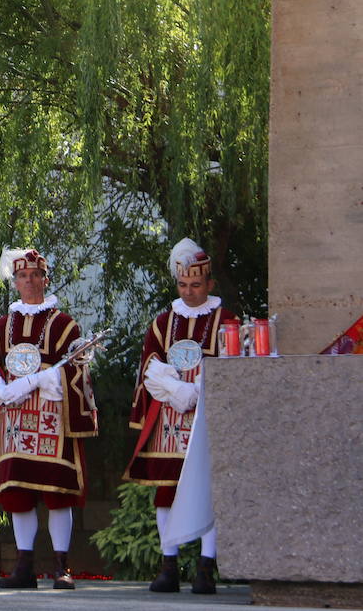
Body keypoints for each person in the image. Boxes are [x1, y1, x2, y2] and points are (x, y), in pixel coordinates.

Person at [0, 248, 98, 590]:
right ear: (15, 282)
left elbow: (76, 370)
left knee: (58, 492)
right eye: (23, 276)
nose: (29, 281)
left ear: (46, 279)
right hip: (13, 421)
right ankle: (23, 564)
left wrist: (40, 379)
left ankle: (61, 565)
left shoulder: (65, 324)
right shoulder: (1, 327)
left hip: (53, 418)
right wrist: (0, 389)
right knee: (18, 491)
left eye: (35, 275)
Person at [125, 238, 234, 594]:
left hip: (207, 418)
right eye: (183, 285)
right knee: (166, 492)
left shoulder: (225, 320)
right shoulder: (162, 322)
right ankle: (168, 565)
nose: (189, 292)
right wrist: (178, 391)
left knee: (208, 489)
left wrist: (197, 390)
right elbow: (150, 368)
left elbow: (230, 367)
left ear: (210, 285)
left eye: (196, 285)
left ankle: (206, 568)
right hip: (169, 420)